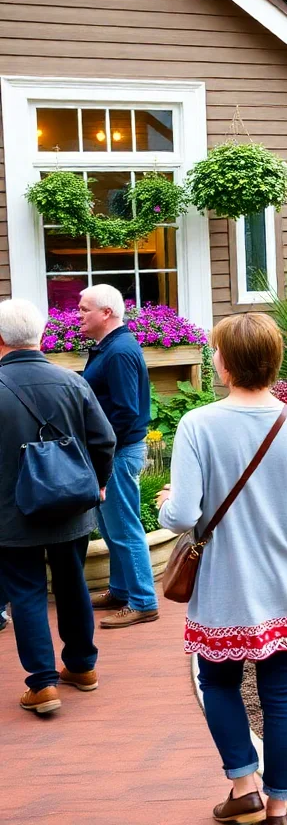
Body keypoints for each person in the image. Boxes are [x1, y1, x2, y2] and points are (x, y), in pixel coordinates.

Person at [157, 313, 287, 825]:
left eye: (216, 350)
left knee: (218, 684)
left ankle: (244, 789)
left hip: (227, 586)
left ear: (226, 363)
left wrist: (166, 505)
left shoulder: (198, 425)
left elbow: (183, 516)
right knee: (282, 694)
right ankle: (279, 806)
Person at [0, 298, 115, 714]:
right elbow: (104, 440)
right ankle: (82, 667)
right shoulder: (72, 382)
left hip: (12, 513)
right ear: (40, 335)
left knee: (26, 592)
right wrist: (98, 483)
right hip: (70, 507)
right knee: (71, 583)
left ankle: (43, 684)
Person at [79, 284, 158, 629]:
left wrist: (103, 452)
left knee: (124, 527)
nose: (78, 315)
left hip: (119, 454)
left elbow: (126, 412)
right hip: (112, 453)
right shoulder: (108, 348)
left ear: (106, 312)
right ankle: (120, 590)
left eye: (84, 309)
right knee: (112, 528)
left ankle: (143, 602)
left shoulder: (120, 351)